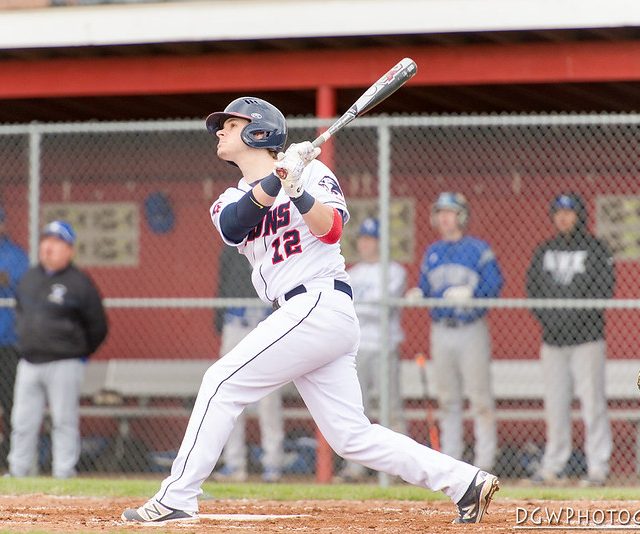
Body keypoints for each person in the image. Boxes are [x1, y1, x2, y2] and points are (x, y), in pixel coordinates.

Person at [122, 96, 499, 525]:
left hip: (319, 301)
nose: (220, 132)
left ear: (258, 131)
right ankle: (465, 482)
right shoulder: (228, 198)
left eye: (229, 124)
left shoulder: (313, 171)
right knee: (351, 436)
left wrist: (298, 188)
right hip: (303, 313)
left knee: (220, 382)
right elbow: (235, 225)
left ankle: (177, 497)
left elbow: (332, 229)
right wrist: (279, 180)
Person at [526, 193, 615, 487]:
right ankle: (554, 465)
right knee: (555, 405)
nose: (563, 218)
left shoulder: (595, 248)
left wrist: (574, 319)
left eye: (569, 212)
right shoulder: (544, 250)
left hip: (587, 339)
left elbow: (603, 289)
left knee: (593, 404)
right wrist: (553, 321)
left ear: (580, 215)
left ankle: (597, 468)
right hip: (552, 341)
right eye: (559, 213)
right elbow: (533, 291)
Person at [8, 220, 108, 479]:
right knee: (22, 422)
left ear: (70, 249)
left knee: (64, 421)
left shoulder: (79, 282)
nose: (49, 247)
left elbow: (98, 326)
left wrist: (79, 353)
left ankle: (64, 473)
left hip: (65, 363)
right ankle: (18, 472)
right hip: (29, 362)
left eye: (56, 242)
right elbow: (20, 312)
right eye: (46, 240)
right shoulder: (30, 277)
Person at [412, 192, 503, 473]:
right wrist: (419, 294)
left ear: (461, 216)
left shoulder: (477, 249)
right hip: (441, 329)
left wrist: (473, 292)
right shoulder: (433, 252)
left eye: (450, 212)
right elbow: (426, 288)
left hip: (470, 328)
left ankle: (485, 460)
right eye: (441, 212)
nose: (445, 217)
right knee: (447, 397)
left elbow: (495, 283)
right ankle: (450, 459)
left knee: (479, 397)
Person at [335, 217, 407, 482]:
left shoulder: (394, 270)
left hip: (384, 346)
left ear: (380, 242)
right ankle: (355, 469)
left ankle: (398, 469)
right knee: (356, 408)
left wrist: (361, 307)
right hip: (357, 348)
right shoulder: (352, 273)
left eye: (371, 239)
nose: (365, 244)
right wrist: (365, 307)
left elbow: (381, 308)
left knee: (391, 408)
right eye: (363, 239)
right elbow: (348, 307)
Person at [212, 244, 284, 483]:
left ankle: (273, 463)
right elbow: (223, 286)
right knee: (229, 392)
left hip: (266, 323)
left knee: (269, 397)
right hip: (235, 322)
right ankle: (235, 464)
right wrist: (218, 321)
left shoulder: (273, 242)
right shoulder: (231, 245)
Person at [0, 205, 29, 469]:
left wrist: (6, 281)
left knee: (11, 405)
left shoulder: (16, 255)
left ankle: (10, 461)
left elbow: (27, 288)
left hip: (8, 343)